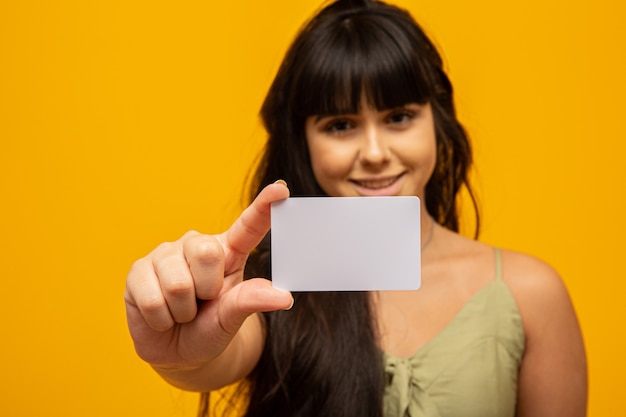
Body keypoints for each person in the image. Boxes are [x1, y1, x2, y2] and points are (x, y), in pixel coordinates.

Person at [124, 0, 588, 416]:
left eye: (399, 117)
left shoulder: (530, 294)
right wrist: (181, 353)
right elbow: (215, 355)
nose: (373, 151)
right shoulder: (271, 279)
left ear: (438, 119)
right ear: (302, 140)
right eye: (341, 124)